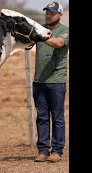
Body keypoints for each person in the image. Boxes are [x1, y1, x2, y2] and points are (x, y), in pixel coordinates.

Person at [33, 2, 69, 163]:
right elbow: (28, 44)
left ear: (60, 15)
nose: (48, 15)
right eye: (47, 12)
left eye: (52, 13)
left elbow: (58, 43)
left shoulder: (65, 31)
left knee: (57, 117)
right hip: (39, 80)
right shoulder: (40, 29)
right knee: (41, 117)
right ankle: (42, 150)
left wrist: (41, 36)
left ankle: (57, 151)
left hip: (56, 81)